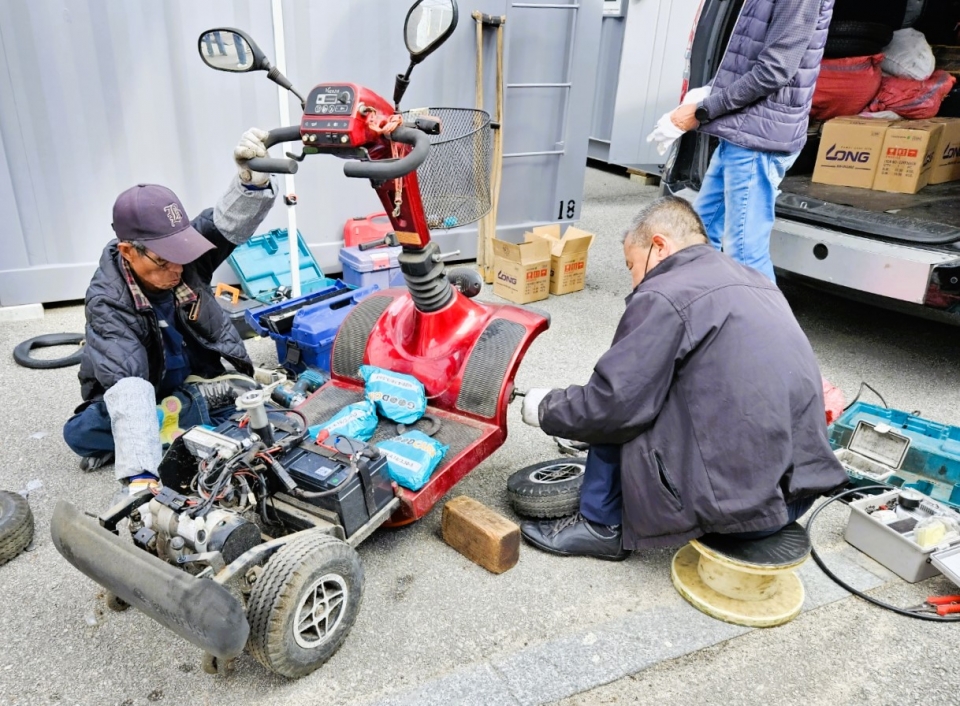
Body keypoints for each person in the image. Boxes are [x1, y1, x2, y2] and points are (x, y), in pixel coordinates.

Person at [519, 196, 848, 560]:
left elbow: (613, 403)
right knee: (654, 383)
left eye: (631, 265)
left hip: (739, 513)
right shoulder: (756, 281)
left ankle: (601, 526)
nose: (633, 280)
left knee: (623, 403)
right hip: (795, 498)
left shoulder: (666, 293)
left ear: (659, 246)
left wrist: (547, 408)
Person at [63, 128, 278, 499]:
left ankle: (197, 414)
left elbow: (223, 225)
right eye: (163, 261)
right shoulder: (107, 301)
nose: (177, 269)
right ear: (129, 251)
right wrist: (142, 477)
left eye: (180, 254)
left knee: (255, 420)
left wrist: (252, 182)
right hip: (149, 388)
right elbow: (129, 387)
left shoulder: (182, 255)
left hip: (198, 371)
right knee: (79, 433)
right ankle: (201, 413)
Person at [669, 0, 834, 282]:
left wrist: (706, 109)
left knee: (745, 255)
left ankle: (764, 325)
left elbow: (774, 71)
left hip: (758, 140)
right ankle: (690, 306)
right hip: (742, 131)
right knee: (699, 230)